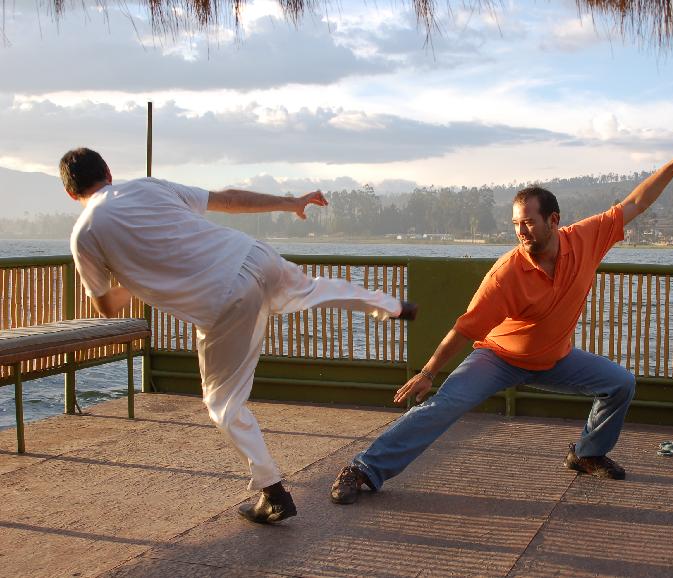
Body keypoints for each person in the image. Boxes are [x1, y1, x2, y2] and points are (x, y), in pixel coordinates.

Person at [59, 147, 417, 524]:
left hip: (223, 296)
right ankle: (392, 305)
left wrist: (139, 277)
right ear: (109, 173)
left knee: (223, 404)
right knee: (312, 288)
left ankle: (273, 493)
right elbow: (228, 199)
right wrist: (290, 201)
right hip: (252, 253)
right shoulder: (148, 187)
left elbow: (106, 307)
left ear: (71, 194)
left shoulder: (85, 233)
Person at [330, 156, 673, 504]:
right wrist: (428, 372)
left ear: (553, 220)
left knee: (620, 382)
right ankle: (363, 468)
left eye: (528, 222)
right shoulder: (506, 273)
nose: (521, 231)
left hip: (555, 358)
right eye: (515, 224)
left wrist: (672, 165)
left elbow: (636, 203)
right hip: (498, 358)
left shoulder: (588, 238)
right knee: (444, 405)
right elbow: (464, 328)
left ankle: (587, 455)